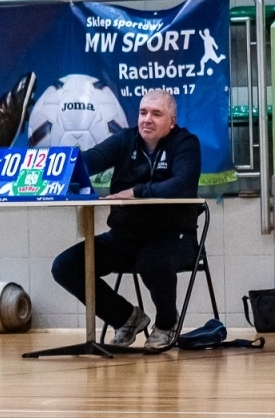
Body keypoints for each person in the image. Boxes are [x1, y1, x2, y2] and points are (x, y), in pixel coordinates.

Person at [50, 89, 201, 351]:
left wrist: (137, 192)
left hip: (174, 238)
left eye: (156, 114)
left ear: (172, 121)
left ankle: (166, 324)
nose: (147, 119)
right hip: (125, 238)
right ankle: (126, 318)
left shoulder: (186, 143)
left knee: (152, 261)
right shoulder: (125, 140)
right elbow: (91, 160)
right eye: (143, 113)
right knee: (65, 266)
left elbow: (183, 185)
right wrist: (55, 167)